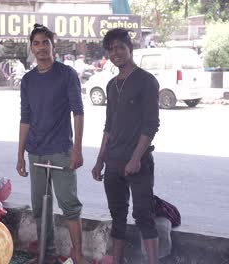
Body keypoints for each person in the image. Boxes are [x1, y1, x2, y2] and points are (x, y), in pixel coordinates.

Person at [16, 24, 88, 264]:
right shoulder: (27, 80)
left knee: (70, 206)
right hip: (35, 152)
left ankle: (77, 256)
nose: (41, 48)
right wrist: (19, 156)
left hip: (61, 151)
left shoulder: (66, 74)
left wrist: (77, 149)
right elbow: (25, 118)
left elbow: (78, 112)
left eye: (45, 43)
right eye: (36, 43)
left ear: (53, 46)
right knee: (40, 208)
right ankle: (46, 255)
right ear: (31, 48)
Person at [91, 28, 160, 264]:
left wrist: (136, 158)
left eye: (120, 46)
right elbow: (108, 125)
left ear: (130, 48)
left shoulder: (146, 81)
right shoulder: (111, 85)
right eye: (110, 49)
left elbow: (151, 125)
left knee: (143, 215)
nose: (115, 52)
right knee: (117, 216)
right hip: (113, 162)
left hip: (138, 163)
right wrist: (100, 159)